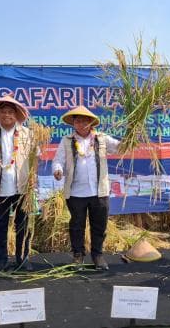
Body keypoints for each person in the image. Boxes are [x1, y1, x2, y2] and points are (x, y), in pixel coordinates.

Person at [52, 106, 119, 270]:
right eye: (77, 120)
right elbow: (58, 160)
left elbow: (120, 147)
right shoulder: (66, 141)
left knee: (99, 225)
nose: (81, 123)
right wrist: (58, 170)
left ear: (91, 122)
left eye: (84, 120)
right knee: (77, 226)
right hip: (75, 192)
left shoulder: (101, 139)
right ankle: (78, 256)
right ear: (73, 123)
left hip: (99, 191)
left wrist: (132, 137)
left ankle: (97, 256)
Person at [0, 94, 34, 271]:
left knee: (23, 224)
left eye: (10, 112)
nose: (7, 115)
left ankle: (23, 258)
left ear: (17, 114)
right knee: (1, 225)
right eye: (3, 112)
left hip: (23, 187)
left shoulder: (28, 134)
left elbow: (36, 158)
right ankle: (1, 259)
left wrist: (34, 176)